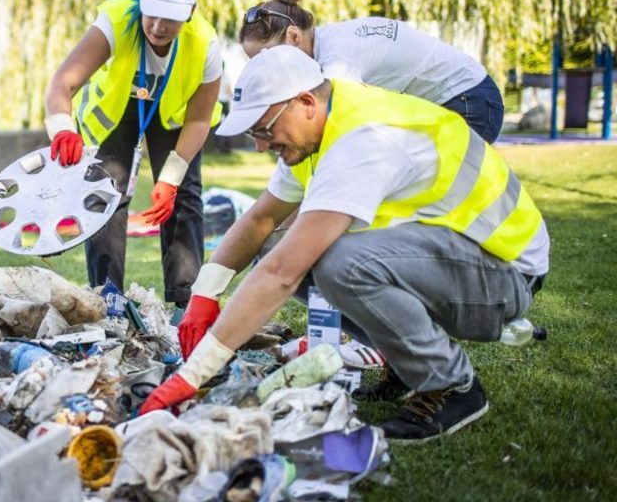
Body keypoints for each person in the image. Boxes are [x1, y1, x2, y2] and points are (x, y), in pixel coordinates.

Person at [147, 46, 549, 443]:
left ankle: (452, 386)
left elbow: (283, 273)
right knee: (277, 244)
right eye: (254, 133)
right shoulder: (319, 129)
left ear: (306, 103)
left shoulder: (363, 140)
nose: (260, 146)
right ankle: (405, 360)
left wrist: (194, 374)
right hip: (458, 257)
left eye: (264, 130)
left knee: (339, 262)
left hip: (506, 274)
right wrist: (204, 294)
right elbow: (261, 221)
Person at [44, 0, 222, 312]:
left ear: (190, 12)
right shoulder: (114, 22)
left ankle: (186, 300)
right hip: (120, 110)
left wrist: (170, 178)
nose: (157, 26)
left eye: (170, 17)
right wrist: (63, 130)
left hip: (174, 116)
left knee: (184, 196)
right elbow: (61, 84)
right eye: (151, 12)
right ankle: (106, 295)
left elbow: (200, 120)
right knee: (105, 192)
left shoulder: (205, 44)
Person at [239, 0, 505, 143]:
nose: (264, 69)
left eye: (267, 56)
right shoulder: (329, 43)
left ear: (294, 35)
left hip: (470, 102)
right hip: (461, 98)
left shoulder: (338, 59)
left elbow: (330, 122)